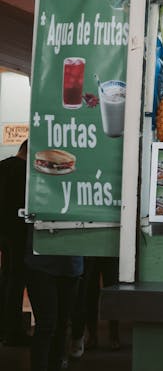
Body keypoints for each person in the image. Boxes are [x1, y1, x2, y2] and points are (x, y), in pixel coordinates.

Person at [25, 229, 82, 371]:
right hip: (41, 259)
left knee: (61, 323)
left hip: (70, 260)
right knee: (47, 323)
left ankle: (55, 364)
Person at [0, 139, 29, 347]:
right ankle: (12, 331)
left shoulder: (2, 166)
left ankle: (5, 329)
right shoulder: (25, 173)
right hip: (18, 233)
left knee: (6, 277)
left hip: (3, 232)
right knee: (16, 280)